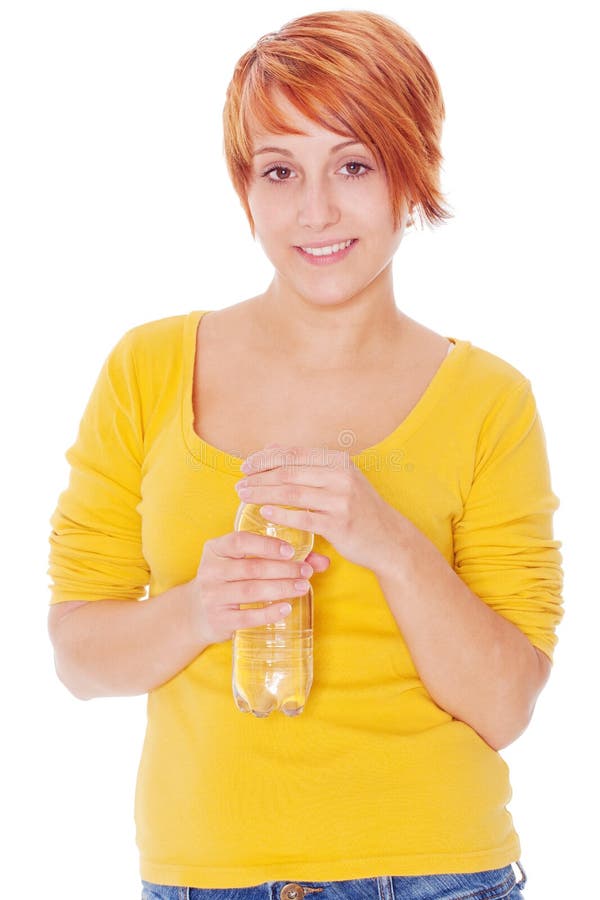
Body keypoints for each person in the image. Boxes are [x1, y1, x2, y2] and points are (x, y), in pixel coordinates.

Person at [47, 9, 563, 900]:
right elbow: (77, 660)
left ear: (410, 173)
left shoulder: (491, 400)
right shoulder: (148, 368)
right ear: (245, 188)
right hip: (202, 879)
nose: (314, 210)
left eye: (354, 165)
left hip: (434, 876)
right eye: (280, 170)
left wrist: (388, 540)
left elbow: (507, 704)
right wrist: (199, 609)